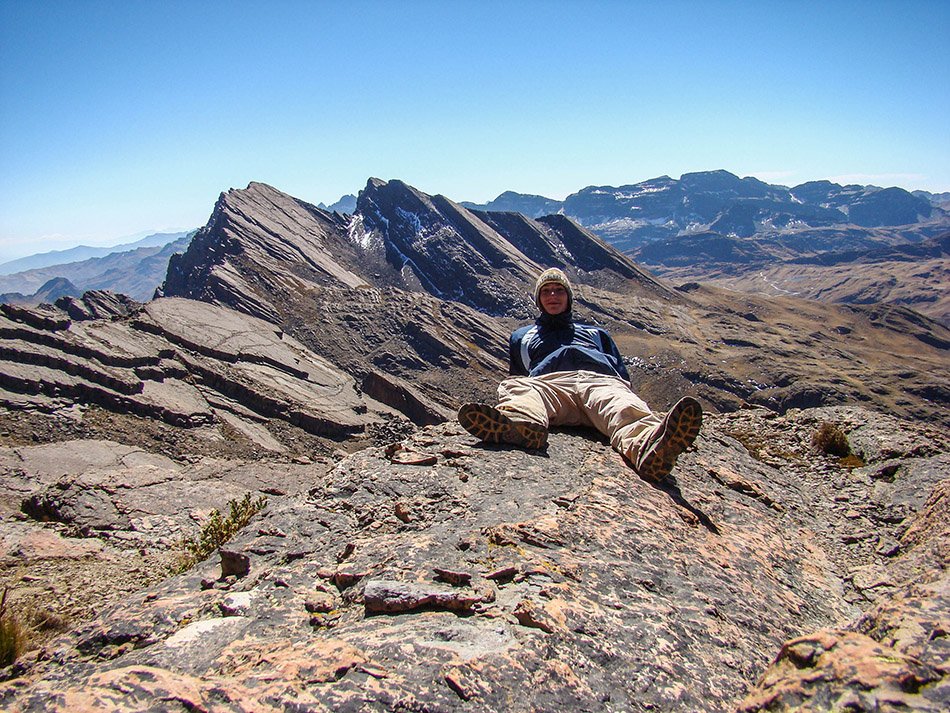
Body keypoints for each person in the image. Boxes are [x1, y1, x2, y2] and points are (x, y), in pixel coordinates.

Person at [458, 267, 702, 483]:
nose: (553, 296)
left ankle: (649, 449)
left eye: (559, 290)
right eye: (546, 291)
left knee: (622, 404)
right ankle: (522, 423)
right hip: (552, 386)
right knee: (517, 387)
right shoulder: (522, 337)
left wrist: (620, 392)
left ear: (569, 297)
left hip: (597, 383)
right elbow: (521, 375)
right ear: (538, 299)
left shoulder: (597, 334)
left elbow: (621, 376)